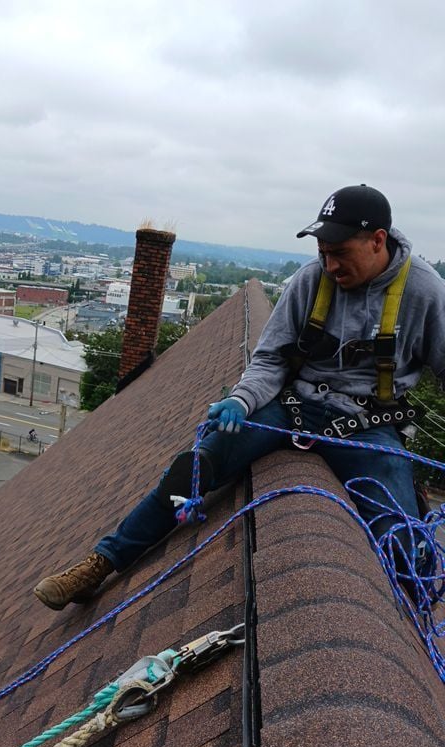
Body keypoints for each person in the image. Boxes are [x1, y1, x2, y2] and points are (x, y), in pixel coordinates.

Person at [34, 184, 445, 611]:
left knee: (401, 541)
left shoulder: (424, 291)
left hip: (366, 426)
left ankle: (414, 620)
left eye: (340, 252)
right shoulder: (312, 280)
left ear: (377, 240)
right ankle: (102, 562)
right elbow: (270, 358)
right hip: (296, 408)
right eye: (323, 252)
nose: (330, 264)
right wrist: (242, 400)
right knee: (198, 464)